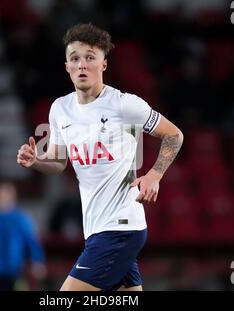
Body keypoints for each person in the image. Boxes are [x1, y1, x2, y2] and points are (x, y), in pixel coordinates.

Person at [17, 23, 183, 291]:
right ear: (67, 67)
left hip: (121, 228)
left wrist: (154, 174)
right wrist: (36, 160)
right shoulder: (60, 109)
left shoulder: (124, 104)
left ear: (103, 65)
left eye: (90, 58)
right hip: (95, 229)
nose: (82, 64)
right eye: (75, 59)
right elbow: (58, 163)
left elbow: (174, 135)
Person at [0, 182, 46, 291]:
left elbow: (32, 241)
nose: (3, 199)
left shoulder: (21, 218)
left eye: (7, 196)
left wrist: (37, 261)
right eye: (0, 196)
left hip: (16, 272)